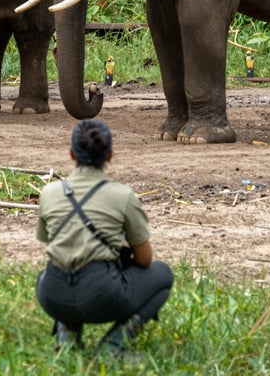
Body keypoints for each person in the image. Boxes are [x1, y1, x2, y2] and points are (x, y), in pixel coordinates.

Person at [35, 119, 174, 356]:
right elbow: (144, 260)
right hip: (101, 294)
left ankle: (66, 336)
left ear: (71, 154)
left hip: (52, 294)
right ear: (109, 156)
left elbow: (51, 242)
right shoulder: (123, 196)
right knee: (163, 274)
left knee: (51, 271)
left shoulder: (49, 193)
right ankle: (114, 346)